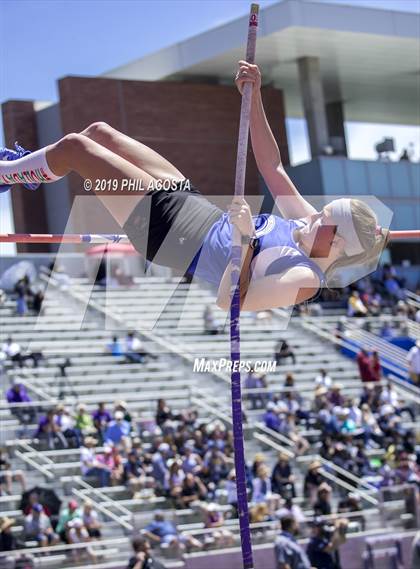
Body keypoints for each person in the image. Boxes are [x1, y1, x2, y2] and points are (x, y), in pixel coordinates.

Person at [1, 60, 389, 312]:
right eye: (323, 208)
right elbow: (272, 166)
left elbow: (229, 302)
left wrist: (245, 241)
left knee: (75, 149)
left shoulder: (303, 277)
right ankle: (27, 171)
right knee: (99, 133)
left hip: (168, 234)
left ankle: (10, 174)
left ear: (336, 244)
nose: (313, 213)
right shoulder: (309, 227)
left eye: (324, 217)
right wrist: (251, 99)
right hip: (190, 201)